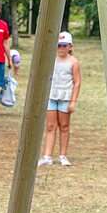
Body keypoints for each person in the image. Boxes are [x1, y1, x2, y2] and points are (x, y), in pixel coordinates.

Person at [39, 31, 82, 166]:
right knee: (51, 126)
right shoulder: (51, 60)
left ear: (70, 47)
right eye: (59, 46)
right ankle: (47, 156)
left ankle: (63, 155)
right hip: (51, 96)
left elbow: (77, 82)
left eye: (64, 46)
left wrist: (73, 101)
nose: (61, 49)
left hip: (65, 98)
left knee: (64, 126)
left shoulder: (73, 62)